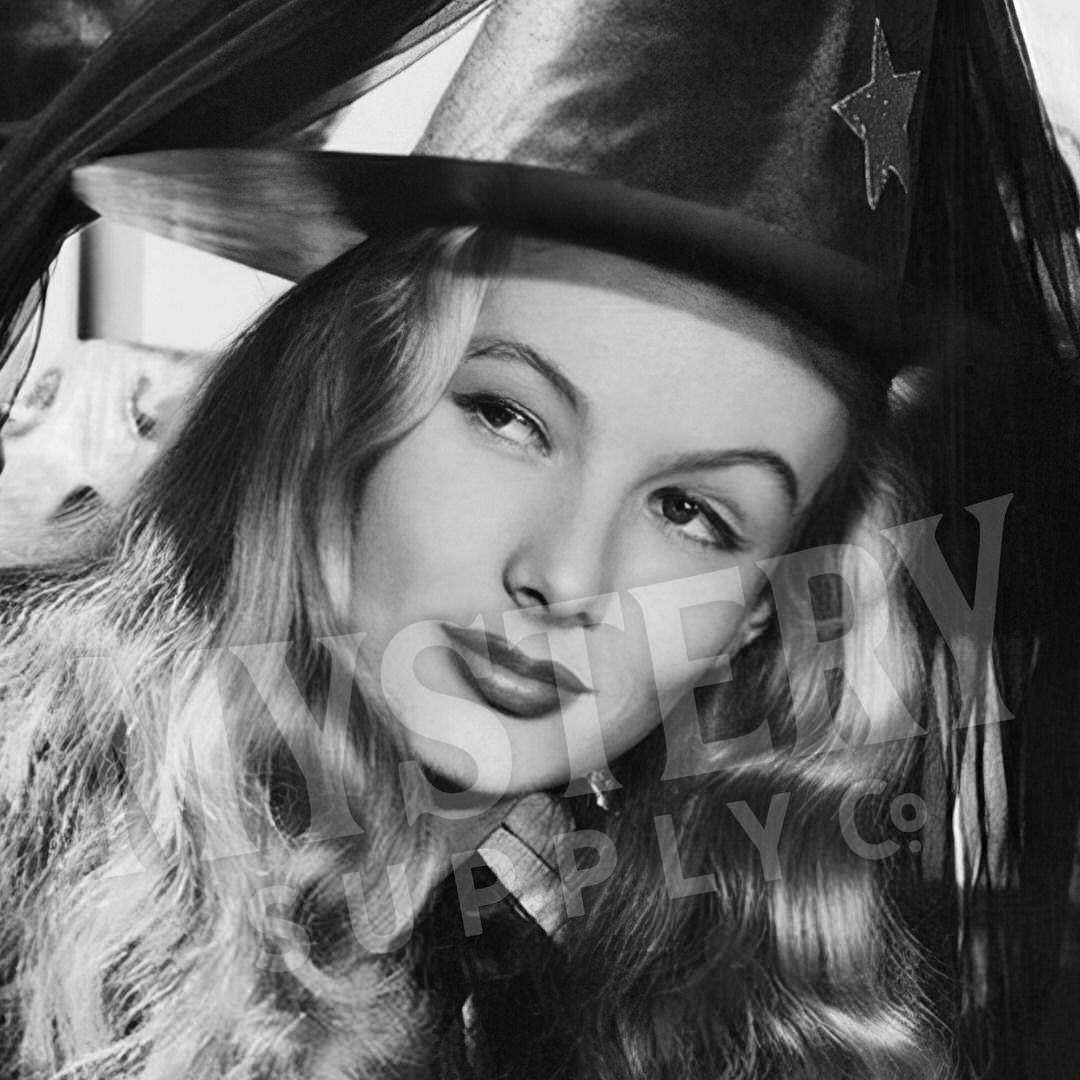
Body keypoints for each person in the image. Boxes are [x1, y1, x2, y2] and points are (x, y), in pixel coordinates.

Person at [0, 1, 1078, 1078]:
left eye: (692, 514)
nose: (565, 575)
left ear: (758, 616)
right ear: (339, 405)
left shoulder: (617, 992)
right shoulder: (26, 806)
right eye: (508, 418)